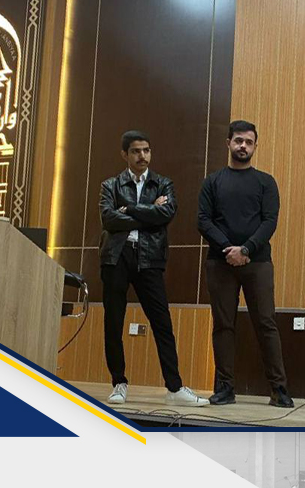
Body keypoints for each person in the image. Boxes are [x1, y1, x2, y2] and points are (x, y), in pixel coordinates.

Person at [99, 130, 209, 406]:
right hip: (116, 257)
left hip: (149, 258)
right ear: (124, 154)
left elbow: (166, 214)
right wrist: (149, 210)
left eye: (146, 150)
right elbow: (108, 219)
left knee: (162, 323)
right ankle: (119, 383)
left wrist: (128, 209)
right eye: (136, 151)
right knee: (113, 322)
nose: (142, 156)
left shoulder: (163, 184)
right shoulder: (110, 185)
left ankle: (174, 387)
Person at [198, 120, 294, 408]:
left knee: (266, 324)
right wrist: (228, 249)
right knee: (223, 326)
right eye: (238, 140)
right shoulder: (212, 182)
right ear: (228, 142)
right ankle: (225, 389)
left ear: (255, 146)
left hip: (258, 262)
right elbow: (203, 220)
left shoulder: (266, 182)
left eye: (249, 142)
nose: (243, 146)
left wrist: (246, 249)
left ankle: (279, 390)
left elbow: (270, 221)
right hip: (220, 262)